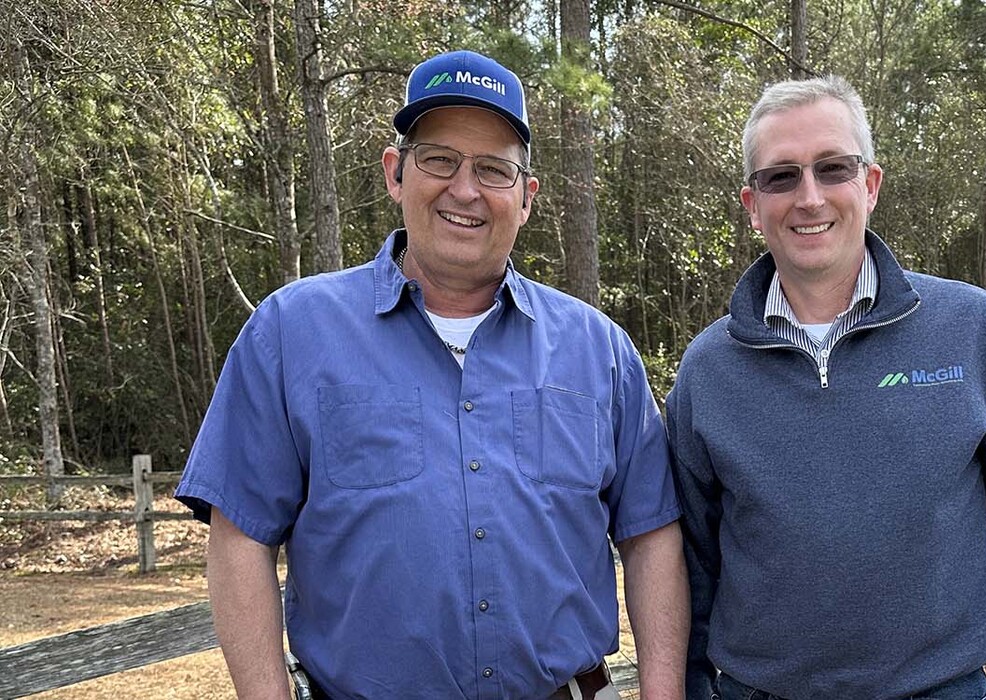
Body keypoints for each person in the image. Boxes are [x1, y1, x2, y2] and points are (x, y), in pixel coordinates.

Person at [176, 49, 687, 700]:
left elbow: (650, 536)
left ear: (526, 198)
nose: (465, 189)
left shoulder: (600, 351)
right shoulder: (291, 333)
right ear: (396, 172)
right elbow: (240, 535)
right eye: (440, 159)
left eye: (493, 169)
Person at [665, 76, 986, 700]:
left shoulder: (970, 328)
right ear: (752, 204)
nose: (809, 197)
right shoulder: (709, 368)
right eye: (781, 177)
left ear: (870, 184)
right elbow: (689, 566)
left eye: (833, 168)